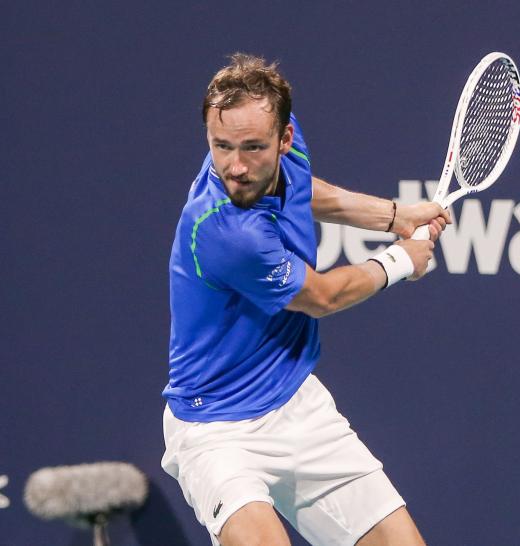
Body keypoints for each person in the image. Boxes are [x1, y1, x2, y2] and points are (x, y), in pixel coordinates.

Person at [161, 53, 450, 546]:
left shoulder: (282, 154)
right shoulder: (226, 231)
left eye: (253, 147)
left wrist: (394, 215)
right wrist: (399, 261)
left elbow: (305, 190)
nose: (236, 166)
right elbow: (322, 296)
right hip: (217, 430)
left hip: (296, 403)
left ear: (285, 138)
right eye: (220, 147)